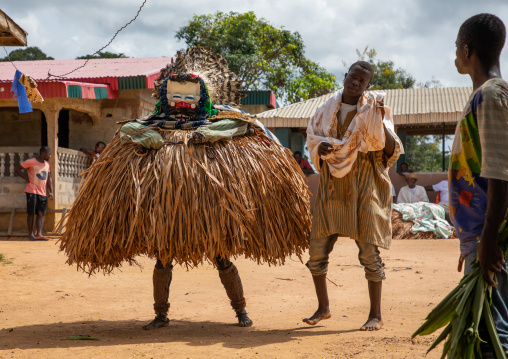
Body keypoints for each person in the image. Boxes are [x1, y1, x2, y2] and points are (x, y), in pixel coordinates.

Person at [58, 47, 311, 330]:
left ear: (202, 96)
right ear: (164, 95)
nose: (180, 101)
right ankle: (161, 314)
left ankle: (241, 311)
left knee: (221, 257)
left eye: (188, 96)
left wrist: (214, 132)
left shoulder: (216, 122)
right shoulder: (150, 125)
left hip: (209, 208)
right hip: (164, 210)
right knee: (163, 259)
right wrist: (146, 135)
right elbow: (128, 130)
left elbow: (245, 126)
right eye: (174, 95)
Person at [304, 60, 402, 331]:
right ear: (345, 76)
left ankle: (376, 315)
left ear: (367, 85)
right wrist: (320, 148)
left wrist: (380, 123)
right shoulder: (324, 109)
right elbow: (312, 139)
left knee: (369, 253)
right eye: (353, 77)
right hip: (332, 187)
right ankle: (323, 308)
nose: (356, 83)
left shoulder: (374, 108)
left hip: (365, 185)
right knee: (316, 252)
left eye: (362, 81)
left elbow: (390, 148)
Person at [451, 13, 508, 355]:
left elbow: (501, 173)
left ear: (467, 49)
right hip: (479, 234)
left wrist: (488, 238)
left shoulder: (491, 95)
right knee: (488, 327)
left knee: (493, 333)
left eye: (457, 48)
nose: (455, 55)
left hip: (492, 236)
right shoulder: (482, 97)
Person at [14, 146, 53, 241]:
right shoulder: (31, 161)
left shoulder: (47, 164)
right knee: (31, 213)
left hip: (42, 193)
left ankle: (39, 234)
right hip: (32, 191)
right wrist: (25, 178)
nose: (50, 156)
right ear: (43, 153)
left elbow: (49, 178)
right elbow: (17, 168)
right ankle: (30, 234)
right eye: (49, 154)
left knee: (41, 213)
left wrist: (51, 191)